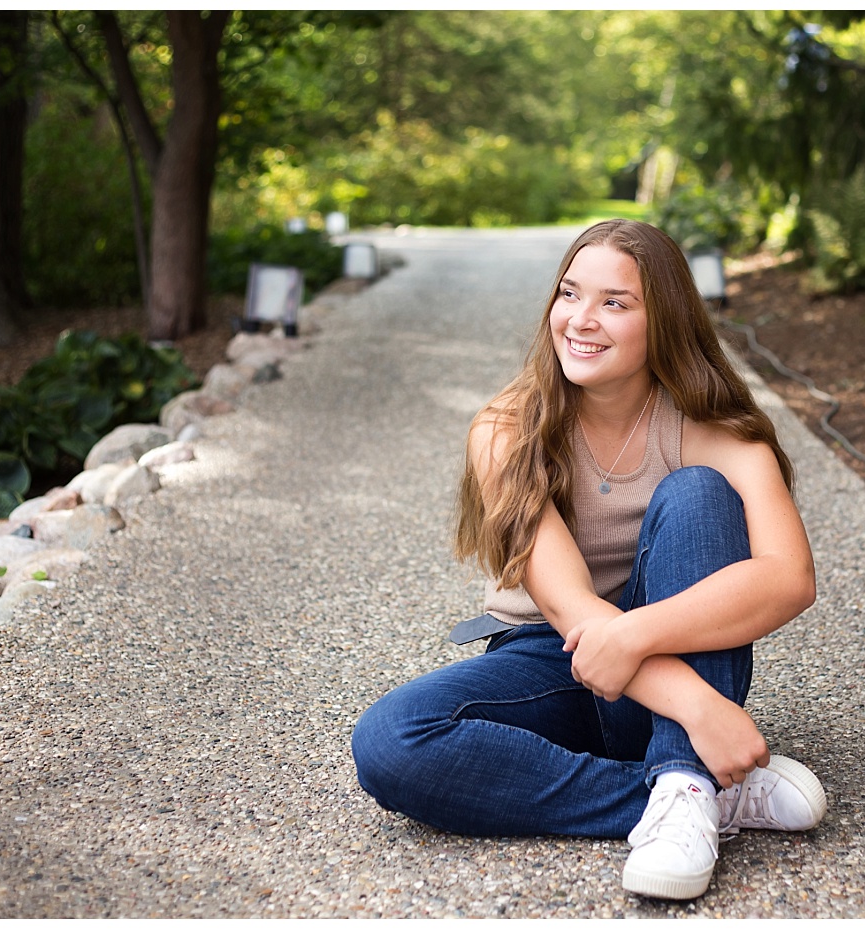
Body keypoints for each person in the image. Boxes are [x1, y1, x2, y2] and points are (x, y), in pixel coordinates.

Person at [350, 219, 827, 901]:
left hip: (665, 645)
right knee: (392, 740)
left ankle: (683, 779)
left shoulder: (711, 429)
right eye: (569, 293)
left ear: (663, 321)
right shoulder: (507, 429)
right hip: (549, 660)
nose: (580, 319)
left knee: (698, 495)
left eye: (614, 302)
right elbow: (570, 608)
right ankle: (688, 792)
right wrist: (702, 708)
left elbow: (791, 577)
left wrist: (632, 633)